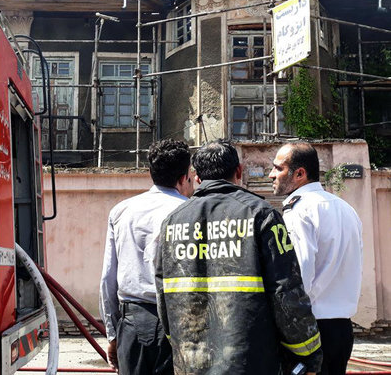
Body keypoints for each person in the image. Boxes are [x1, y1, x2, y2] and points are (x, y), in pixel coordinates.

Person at [155, 140, 322, 375]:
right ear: (239, 171)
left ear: (198, 178)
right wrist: (309, 354)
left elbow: (163, 296)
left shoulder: (171, 223)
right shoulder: (262, 215)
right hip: (250, 362)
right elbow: (286, 291)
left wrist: (181, 344)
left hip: (191, 362)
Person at [99, 139, 194, 375]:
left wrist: (112, 334)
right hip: (183, 320)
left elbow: (108, 279)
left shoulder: (122, 211)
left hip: (134, 322)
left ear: (150, 172)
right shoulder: (192, 211)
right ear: (184, 176)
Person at [270, 143, 363, 375]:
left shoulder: (299, 211)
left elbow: (300, 275)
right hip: (342, 328)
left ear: (299, 174)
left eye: (277, 168)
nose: (271, 174)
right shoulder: (345, 208)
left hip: (311, 329)